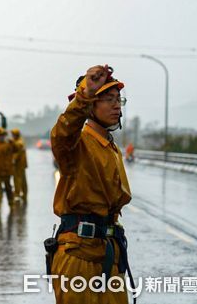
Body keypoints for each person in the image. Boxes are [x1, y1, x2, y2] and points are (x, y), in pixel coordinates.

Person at [49, 65, 133, 304]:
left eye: (119, 99)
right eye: (108, 99)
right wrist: (84, 94)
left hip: (108, 251)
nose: (117, 105)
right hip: (78, 256)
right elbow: (62, 134)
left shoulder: (109, 145)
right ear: (90, 106)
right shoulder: (77, 143)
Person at [11, 128, 28, 201]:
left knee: (18, 179)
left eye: (13, 135)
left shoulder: (19, 142)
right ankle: (23, 194)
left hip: (19, 164)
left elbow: (18, 148)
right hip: (20, 164)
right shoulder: (18, 141)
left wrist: (13, 159)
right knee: (22, 179)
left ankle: (18, 194)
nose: (12, 136)